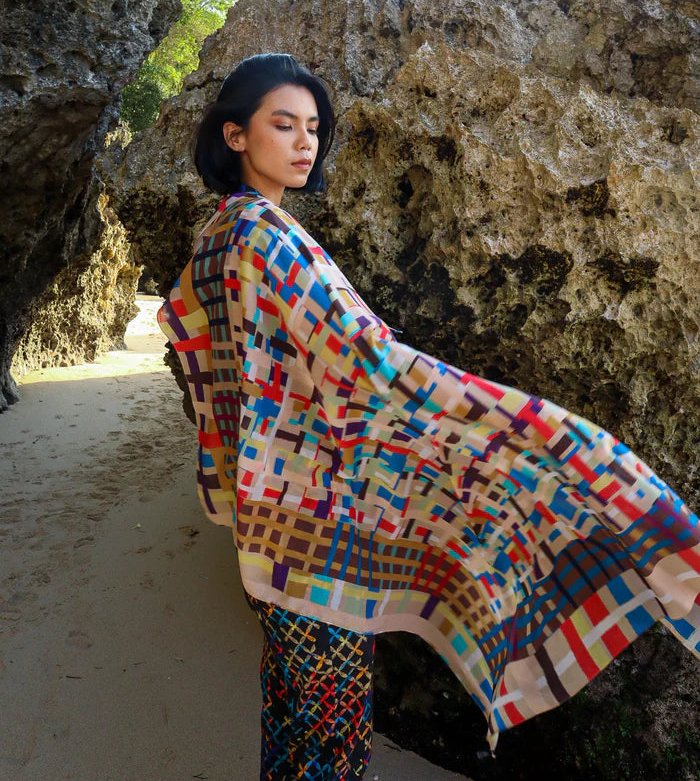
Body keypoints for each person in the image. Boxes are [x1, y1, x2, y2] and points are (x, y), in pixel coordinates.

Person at [158, 53, 700, 781]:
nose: (304, 142)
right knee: (333, 736)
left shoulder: (218, 237)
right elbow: (369, 368)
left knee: (291, 715)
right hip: (314, 536)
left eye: (313, 127)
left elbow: (219, 370)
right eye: (283, 125)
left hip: (267, 525)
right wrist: (530, 430)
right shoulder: (266, 237)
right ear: (235, 135)